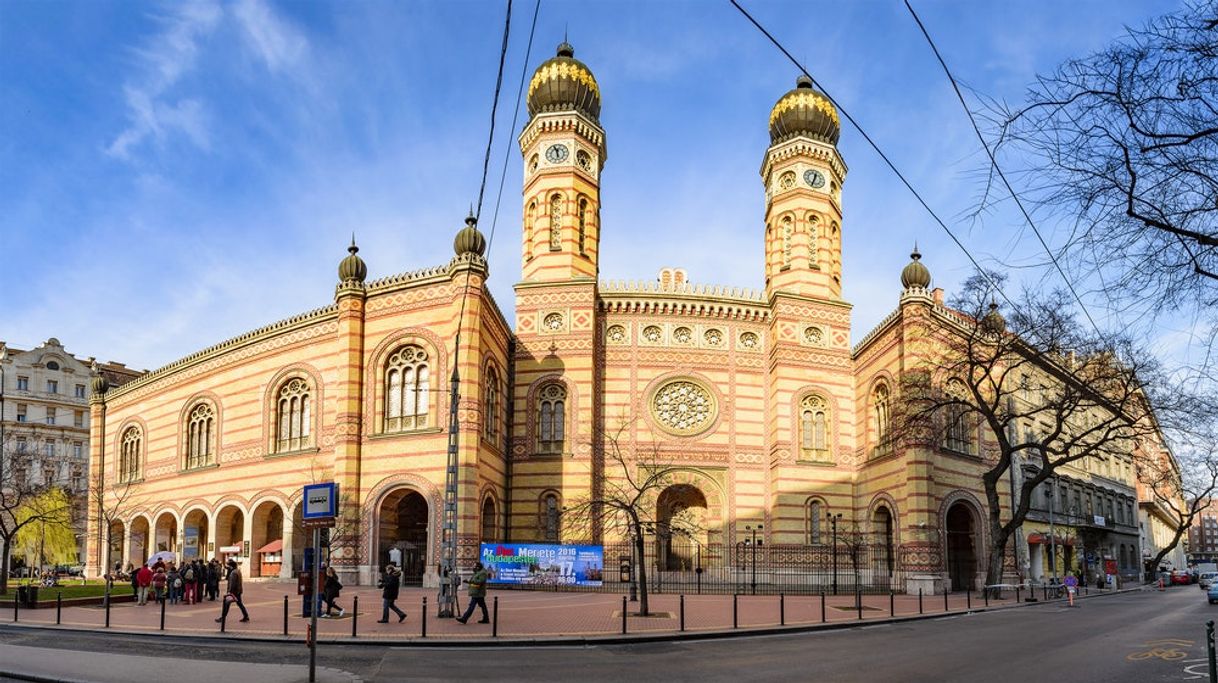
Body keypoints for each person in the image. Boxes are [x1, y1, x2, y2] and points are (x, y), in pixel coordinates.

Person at [216, 559, 249, 623]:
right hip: (238, 591)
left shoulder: (233, 573)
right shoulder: (238, 571)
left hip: (233, 592)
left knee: (226, 604)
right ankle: (246, 616)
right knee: (240, 604)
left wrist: (229, 592)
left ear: (231, 566)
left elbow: (232, 583)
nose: (228, 567)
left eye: (229, 566)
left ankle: (223, 618)